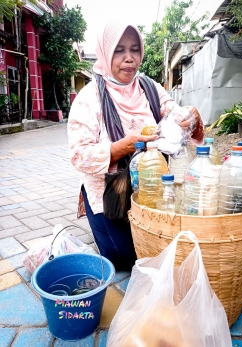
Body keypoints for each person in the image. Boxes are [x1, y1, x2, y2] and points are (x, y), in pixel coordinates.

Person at [67, 20, 204, 271]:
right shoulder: (90, 97)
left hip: (152, 184)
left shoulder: (149, 88)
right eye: (119, 50)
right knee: (126, 258)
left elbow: (173, 113)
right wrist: (123, 147)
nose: (129, 58)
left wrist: (184, 119)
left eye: (134, 49)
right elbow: (78, 155)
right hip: (110, 192)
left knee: (160, 249)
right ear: (106, 52)